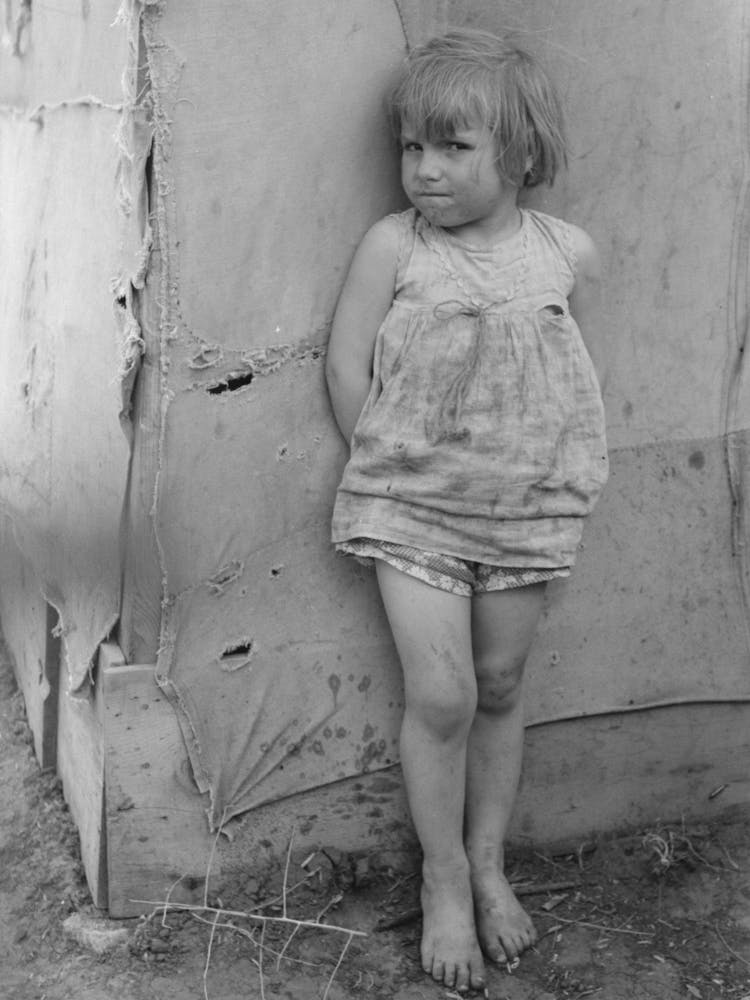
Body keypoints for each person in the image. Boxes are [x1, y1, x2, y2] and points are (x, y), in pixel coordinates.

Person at [326, 27, 608, 995]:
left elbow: (557, 381)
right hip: (412, 511)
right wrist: (393, 467)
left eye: (453, 148)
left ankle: (490, 862)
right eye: (413, 147)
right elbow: (346, 359)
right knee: (439, 693)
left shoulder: (563, 253)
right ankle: (443, 877)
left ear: (521, 154)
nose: (425, 170)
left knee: (495, 682)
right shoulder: (393, 247)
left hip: (525, 513)